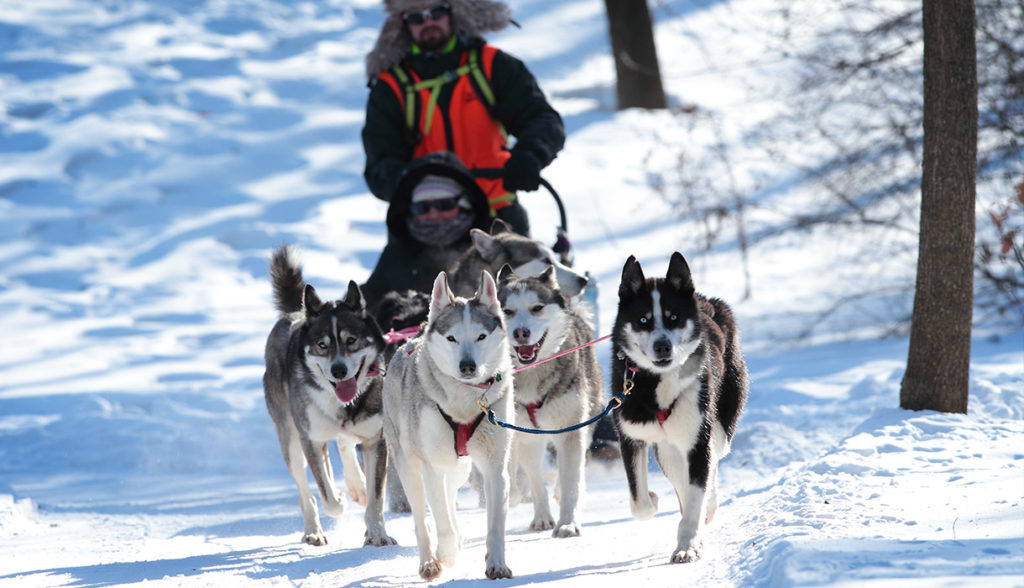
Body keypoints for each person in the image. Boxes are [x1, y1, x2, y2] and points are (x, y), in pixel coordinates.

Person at [362, 0, 565, 237]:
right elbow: (380, 164)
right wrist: (415, 184)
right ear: (402, 23)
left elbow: (541, 119)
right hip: (426, 225)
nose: (428, 22)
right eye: (416, 17)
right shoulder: (390, 88)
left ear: (454, 12)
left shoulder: (492, 66)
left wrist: (530, 155)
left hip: (498, 217)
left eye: (436, 11)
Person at [360, 150, 492, 304]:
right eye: (422, 207)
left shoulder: (491, 247)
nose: (434, 214)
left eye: (444, 204)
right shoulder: (398, 253)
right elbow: (368, 301)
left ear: (464, 203)